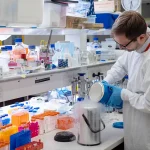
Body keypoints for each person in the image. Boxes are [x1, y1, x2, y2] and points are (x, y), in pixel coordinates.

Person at [101, 11, 150, 150]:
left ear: (141, 37)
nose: (122, 49)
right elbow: (121, 65)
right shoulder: (135, 43)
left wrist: (123, 94)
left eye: (124, 45)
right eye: (118, 44)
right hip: (133, 124)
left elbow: (148, 104)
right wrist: (106, 82)